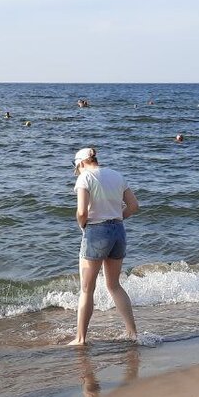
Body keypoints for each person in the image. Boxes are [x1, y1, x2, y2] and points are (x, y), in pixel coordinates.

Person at [71, 147, 139, 345]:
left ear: (82, 163)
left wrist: (82, 225)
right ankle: (132, 333)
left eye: (77, 167)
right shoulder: (117, 175)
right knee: (114, 285)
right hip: (119, 231)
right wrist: (117, 218)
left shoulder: (85, 178)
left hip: (96, 232)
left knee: (86, 289)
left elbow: (82, 212)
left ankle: (80, 338)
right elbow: (134, 206)